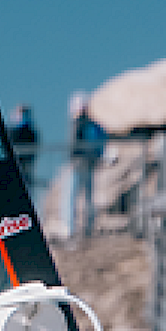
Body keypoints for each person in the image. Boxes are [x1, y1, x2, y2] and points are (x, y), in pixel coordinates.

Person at [59, 92, 108, 240]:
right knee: (88, 195)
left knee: (72, 196)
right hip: (90, 162)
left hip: (79, 163)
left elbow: (74, 144)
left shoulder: (79, 123)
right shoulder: (94, 125)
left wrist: (71, 160)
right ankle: (88, 226)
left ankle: (71, 228)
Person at [6, 102, 40, 190]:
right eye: (21, 112)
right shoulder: (11, 131)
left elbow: (35, 147)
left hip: (26, 163)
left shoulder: (31, 132)